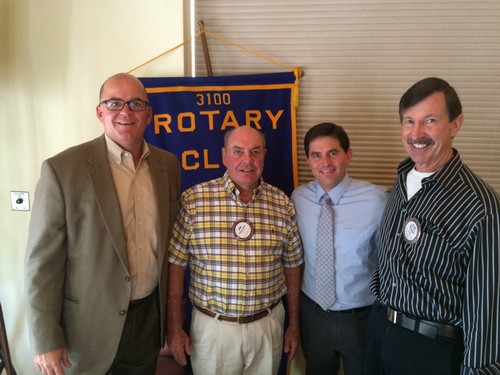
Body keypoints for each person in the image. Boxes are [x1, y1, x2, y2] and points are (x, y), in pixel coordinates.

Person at [25, 73, 181, 375]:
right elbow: (41, 262)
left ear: (148, 114)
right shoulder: (63, 169)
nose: (126, 111)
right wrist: (45, 339)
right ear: (100, 112)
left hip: (148, 322)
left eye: (136, 103)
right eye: (114, 103)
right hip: (86, 331)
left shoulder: (168, 166)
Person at [364, 77, 500, 375]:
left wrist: (479, 370)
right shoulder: (402, 179)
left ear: (456, 124)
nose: (416, 133)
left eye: (430, 121)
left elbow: (487, 307)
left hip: (430, 350)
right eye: (408, 121)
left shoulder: (480, 206)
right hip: (380, 331)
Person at [166, 125, 304, 375]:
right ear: (223, 156)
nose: (247, 160)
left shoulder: (283, 204)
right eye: (238, 151)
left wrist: (294, 324)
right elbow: (176, 267)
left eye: (255, 151)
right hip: (213, 330)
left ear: (264, 155)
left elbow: (292, 266)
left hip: (268, 326)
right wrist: (174, 328)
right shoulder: (194, 201)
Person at [291, 122, 388, 375]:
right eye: (316, 155)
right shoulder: (297, 199)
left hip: (362, 318)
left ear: (348, 155)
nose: (325, 162)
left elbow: (389, 260)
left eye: (333, 152)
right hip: (314, 316)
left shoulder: (377, 200)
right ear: (308, 160)